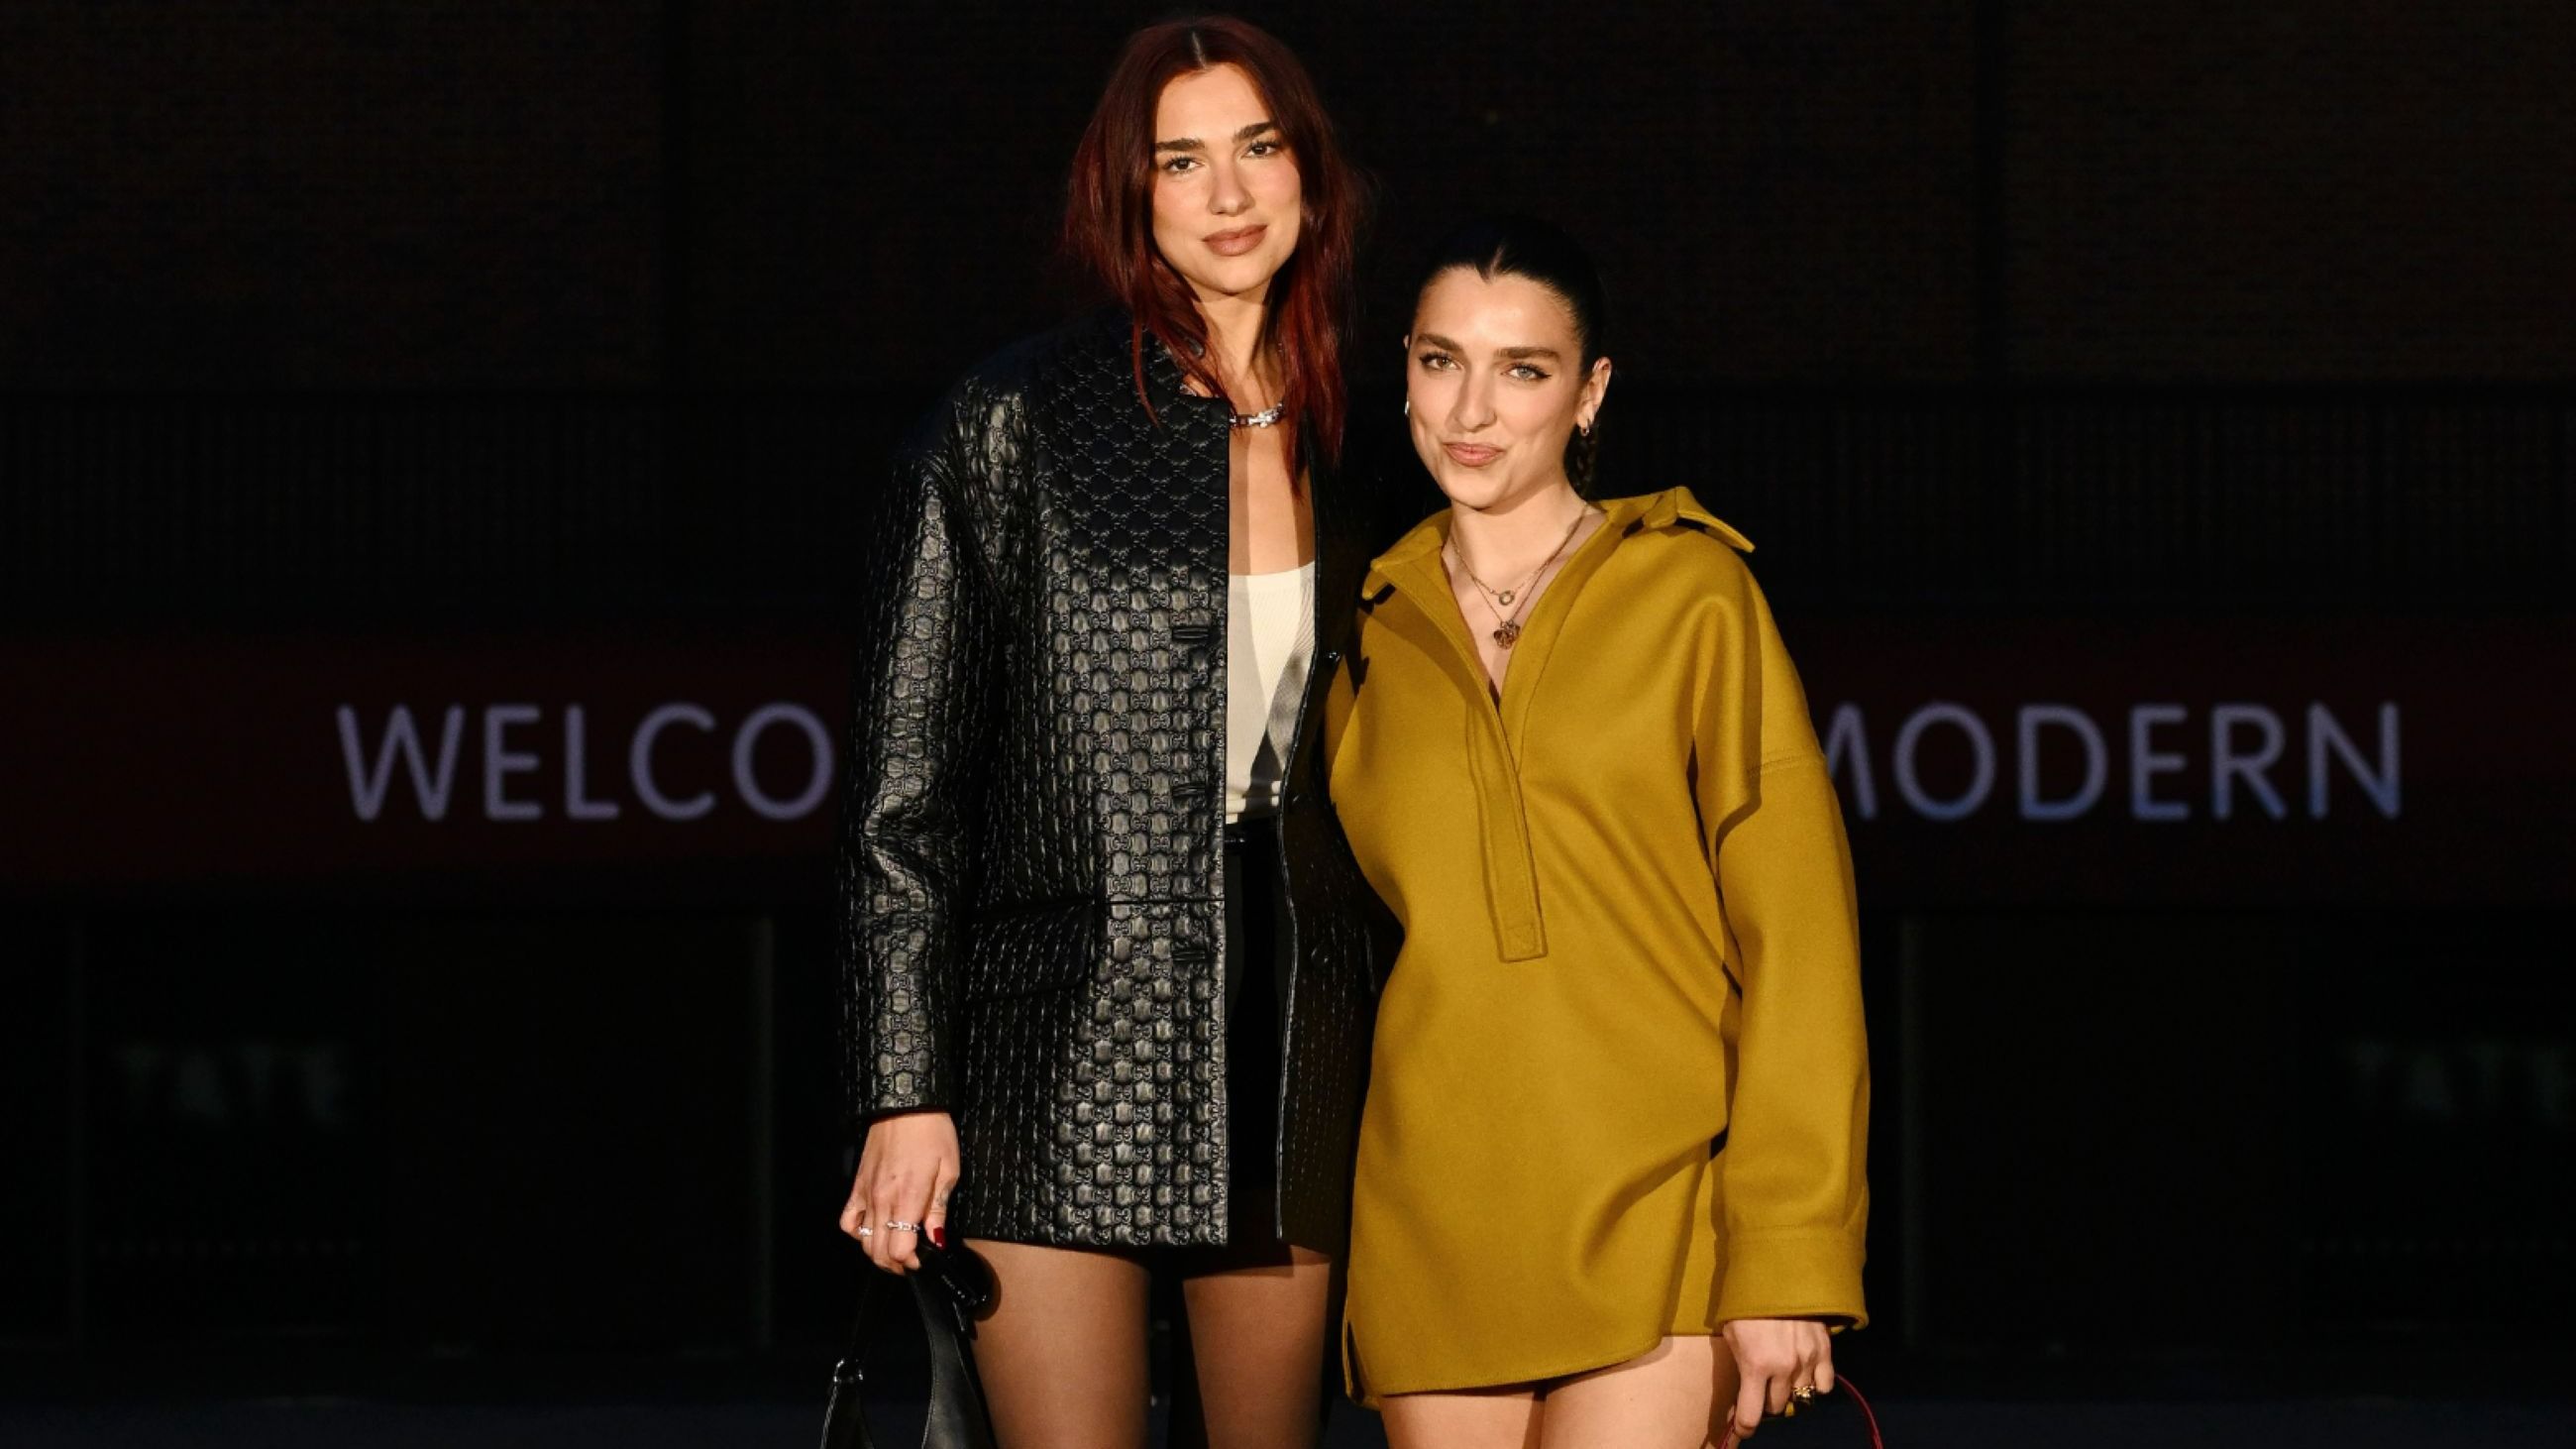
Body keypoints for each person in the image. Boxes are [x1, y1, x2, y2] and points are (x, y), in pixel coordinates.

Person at [834, 16, 1395, 1449]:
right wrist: (907, 1089)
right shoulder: (1012, 420)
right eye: (1182, 160)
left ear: (1311, 176)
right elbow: (904, 798)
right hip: (1057, 1042)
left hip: (1298, 1041)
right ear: (1128, 194)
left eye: (1259, 149)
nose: (1228, 193)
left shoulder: (1376, 440)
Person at [1323, 217, 1871, 1449]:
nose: (1471, 407)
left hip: (1661, 1206)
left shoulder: (1691, 593)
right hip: (1431, 1221)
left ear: (1589, 392)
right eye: (1436, 359)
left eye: (1522, 369)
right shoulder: (1363, 630)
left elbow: (1798, 934)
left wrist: (1788, 1251)